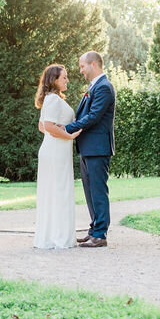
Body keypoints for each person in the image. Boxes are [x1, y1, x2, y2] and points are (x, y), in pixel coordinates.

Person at [63, 51, 116, 248]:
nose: (81, 70)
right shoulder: (94, 87)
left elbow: (93, 116)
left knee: (98, 192)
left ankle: (100, 234)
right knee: (90, 192)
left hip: (98, 149)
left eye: (82, 66)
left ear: (93, 64)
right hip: (88, 148)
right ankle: (94, 230)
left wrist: (67, 128)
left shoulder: (104, 87)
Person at [33, 64, 81, 249]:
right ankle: (59, 238)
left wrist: (58, 128)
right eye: (64, 77)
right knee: (59, 191)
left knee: (55, 191)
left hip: (54, 150)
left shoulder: (51, 99)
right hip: (55, 152)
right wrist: (69, 135)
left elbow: (43, 126)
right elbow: (47, 126)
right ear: (54, 80)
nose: (67, 80)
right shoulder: (52, 100)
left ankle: (52, 236)